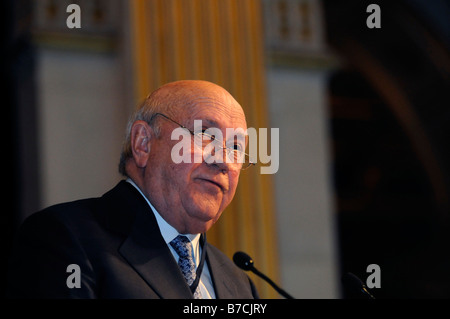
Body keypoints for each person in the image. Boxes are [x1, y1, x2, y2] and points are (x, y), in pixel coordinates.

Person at [7, 80, 258, 299]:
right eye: (205, 134)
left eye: (236, 147)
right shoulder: (65, 239)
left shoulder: (240, 284)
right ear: (143, 143)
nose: (223, 160)